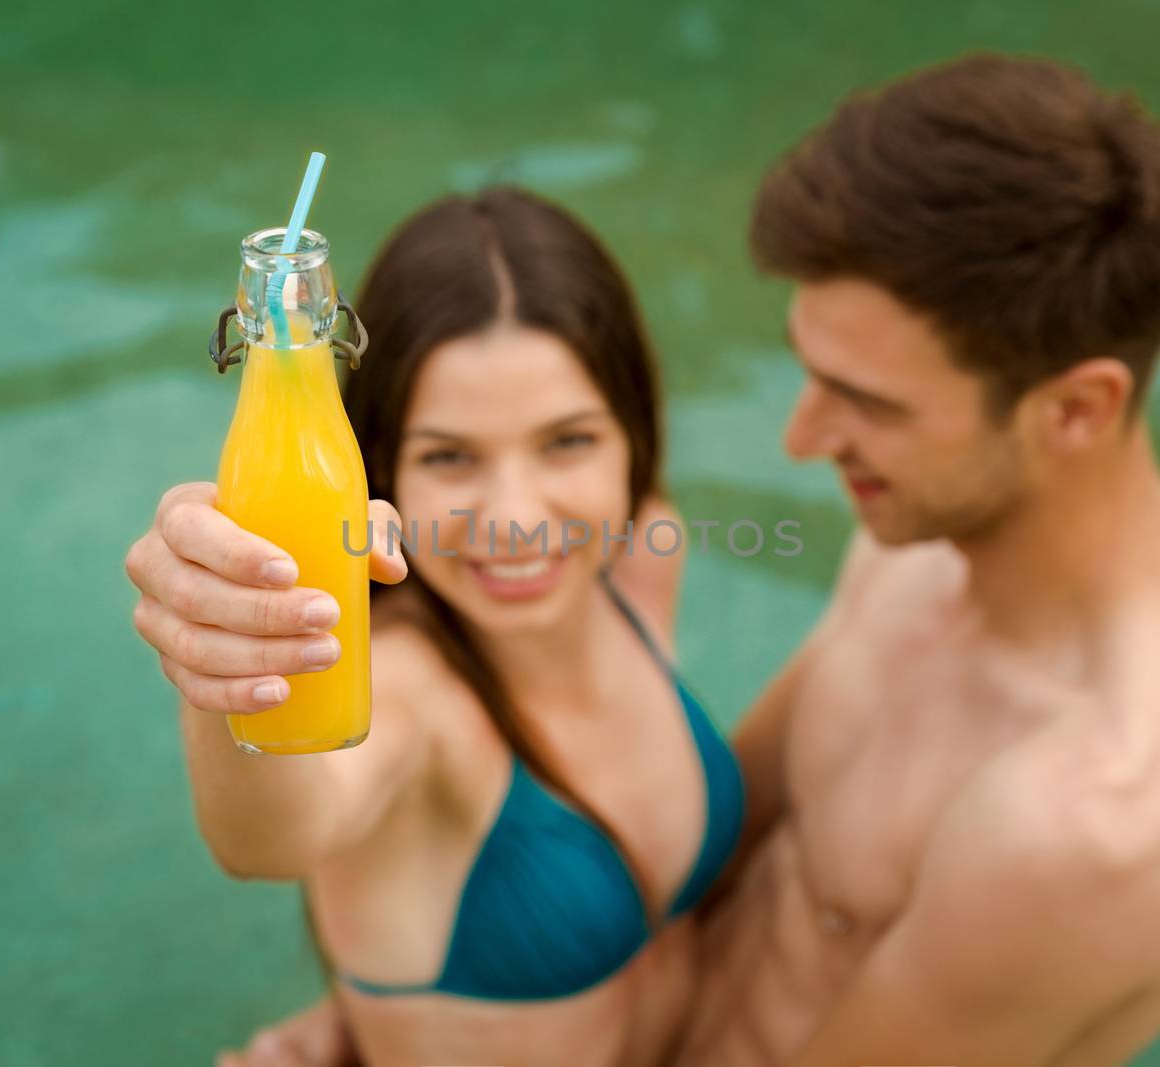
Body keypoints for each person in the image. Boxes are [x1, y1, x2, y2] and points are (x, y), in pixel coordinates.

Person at [215, 52, 1160, 1067]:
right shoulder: (915, 551)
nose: (799, 438)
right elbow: (700, 836)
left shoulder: (1101, 813)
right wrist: (392, 996)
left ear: (1076, 409)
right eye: (812, 373)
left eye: (866, 400)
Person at [124, 187, 745, 1067]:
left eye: (568, 441)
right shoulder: (406, 688)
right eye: (449, 456)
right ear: (380, 470)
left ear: (632, 436)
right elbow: (266, 841)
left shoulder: (642, 553)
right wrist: (220, 668)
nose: (519, 518)